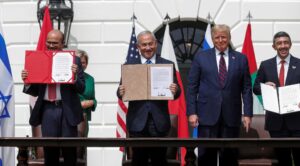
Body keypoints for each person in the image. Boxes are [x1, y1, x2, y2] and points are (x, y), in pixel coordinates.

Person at [186, 24, 253, 166]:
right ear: (212, 38)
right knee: (206, 157)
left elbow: (246, 88)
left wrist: (247, 113)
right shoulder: (201, 57)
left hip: (231, 116)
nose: (220, 40)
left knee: (229, 157)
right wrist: (192, 112)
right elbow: (192, 87)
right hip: (207, 116)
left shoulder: (241, 59)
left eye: (224, 37)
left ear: (229, 38)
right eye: (217, 37)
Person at [117, 30, 181, 166]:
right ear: (138, 47)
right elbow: (121, 91)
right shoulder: (129, 65)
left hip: (159, 122)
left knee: (159, 161)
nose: (148, 48)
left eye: (150, 44)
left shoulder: (167, 64)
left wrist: (175, 90)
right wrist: (120, 91)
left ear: (156, 44)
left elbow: (177, 92)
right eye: (144, 45)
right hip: (137, 121)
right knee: (139, 161)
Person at [21, 29, 85, 166]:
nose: (50, 45)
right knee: (50, 151)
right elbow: (35, 91)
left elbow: (81, 88)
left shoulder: (74, 60)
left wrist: (73, 77)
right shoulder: (39, 59)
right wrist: (27, 82)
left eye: (54, 43)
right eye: (48, 42)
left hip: (67, 109)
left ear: (63, 44)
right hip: (48, 110)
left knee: (69, 151)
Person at [253, 31, 300, 166]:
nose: (283, 46)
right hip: (276, 122)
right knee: (282, 159)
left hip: (297, 121)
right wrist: (264, 86)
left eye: (286, 42)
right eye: (279, 43)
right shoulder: (265, 65)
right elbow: (255, 88)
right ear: (274, 46)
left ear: (290, 45)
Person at [77, 49, 97, 137]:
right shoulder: (68, 77)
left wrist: (92, 102)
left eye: (83, 62)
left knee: (82, 148)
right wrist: (78, 104)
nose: (81, 65)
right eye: (78, 62)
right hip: (70, 118)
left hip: (84, 118)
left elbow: (93, 99)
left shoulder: (90, 79)